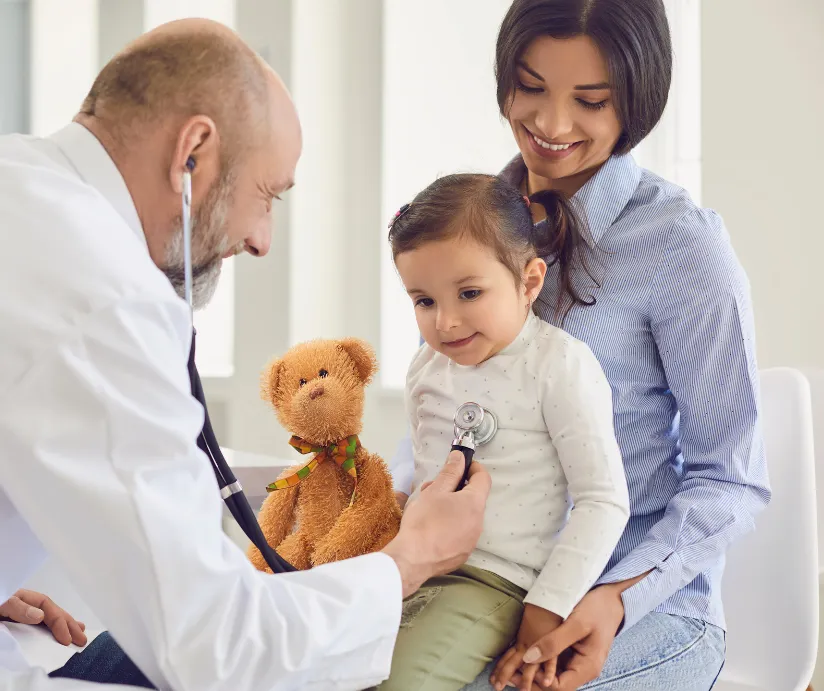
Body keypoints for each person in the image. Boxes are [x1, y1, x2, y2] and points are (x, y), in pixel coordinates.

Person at [0, 19, 491, 691]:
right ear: (193, 151)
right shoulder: (99, 293)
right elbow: (217, 652)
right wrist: (409, 560)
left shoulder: (19, 181)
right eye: (266, 195)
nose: (262, 240)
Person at [391, 1, 770, 689]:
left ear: (637, 99)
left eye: (590, 101)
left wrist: (616, 598)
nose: (552, 124)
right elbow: (445, 413)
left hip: (632, 606)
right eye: (530, 87)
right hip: (477, 587)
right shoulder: (470, 225)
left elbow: (731, 477)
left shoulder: (682, 245)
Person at [375, 173, 630, 691]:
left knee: (401, 683)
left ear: (530, 282)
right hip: (412, 564)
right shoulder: (427, 367)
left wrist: (548, 605)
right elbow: (422, 465)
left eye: (469, 293)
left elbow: (603, 500)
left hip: (492, 580)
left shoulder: (559, 366)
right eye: (423, 301)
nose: (445, 322)